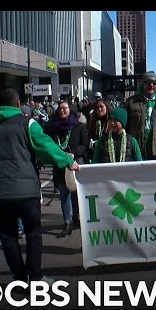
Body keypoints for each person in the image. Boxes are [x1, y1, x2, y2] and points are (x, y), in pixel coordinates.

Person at [0, 88, 79, 284]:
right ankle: (35, 277)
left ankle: (20, 278)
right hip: (26, 192)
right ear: (18, 104)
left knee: (8, 238)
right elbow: (45, 146)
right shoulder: (27, 123)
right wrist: (66, 161)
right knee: (33, 234)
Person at [44, 100, 88, 236]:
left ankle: (77, 218)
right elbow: (49, 145)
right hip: (60, 166)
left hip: (75, 165)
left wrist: (74, 153)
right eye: (60, 109)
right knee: (64, 194)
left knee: (76, 195)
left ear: (71, 109)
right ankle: (67, 222)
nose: (62, 110)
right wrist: (60, 155)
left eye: (65, 108)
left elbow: (84, 145)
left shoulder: (79, 126)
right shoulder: (52, 127)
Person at [124, 71, 156, 159]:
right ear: (143, 84)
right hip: (136, 150)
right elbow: (123, 125)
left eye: (155, 83)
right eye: (148, 82)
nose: (152, 85)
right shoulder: (131, 102)